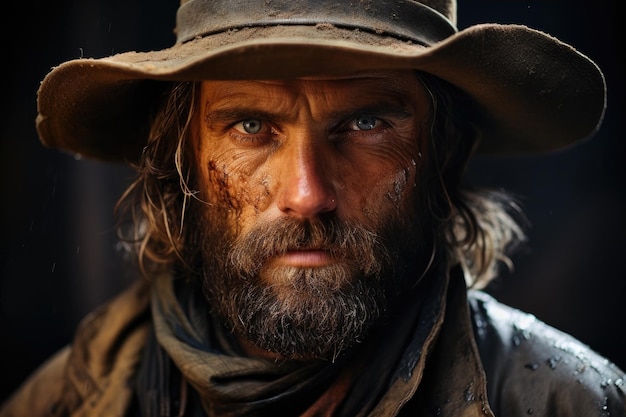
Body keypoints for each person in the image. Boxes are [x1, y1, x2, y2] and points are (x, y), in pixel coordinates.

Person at [2, 0, 625, 415]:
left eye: (366, 122)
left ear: (444, 154)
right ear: (181, 159)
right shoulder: (60, 403)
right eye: (250, 124)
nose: (307, 194)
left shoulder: (567, 401)